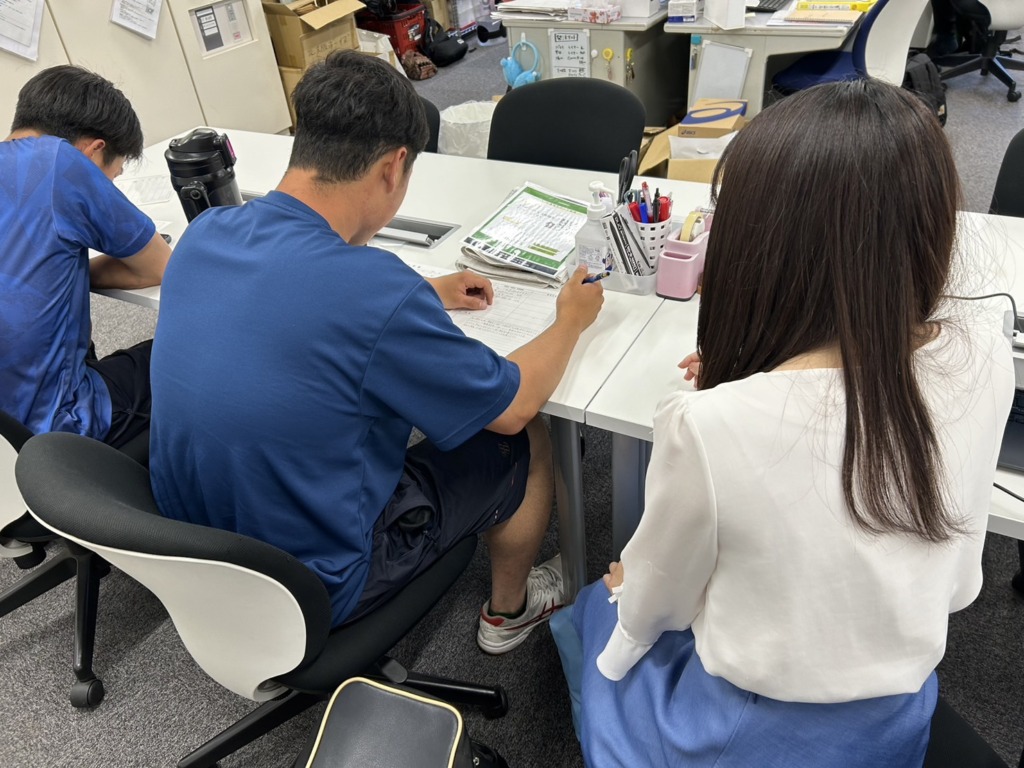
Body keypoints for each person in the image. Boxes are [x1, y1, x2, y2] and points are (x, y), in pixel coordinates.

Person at [552, 79, 1014, 766]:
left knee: (596, 609)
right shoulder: (987, 351)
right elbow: (957, 582)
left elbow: (658, 602)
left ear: (763, 248)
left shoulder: (711, 424)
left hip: (749, 733)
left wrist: (621, 616)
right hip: (898, 719)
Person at [148, 50, 604, 653]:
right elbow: (513, 405)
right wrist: (571, 320)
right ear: (394, 168)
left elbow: (289, 297)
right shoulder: (373, 289)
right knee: (525, 439)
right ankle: (509, 613)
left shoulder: (206, 231)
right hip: (314, 587)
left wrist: (424, 292)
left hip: (193, 556)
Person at [0, 66, 170, 448]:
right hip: (55, 427)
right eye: (113, 175)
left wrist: (57, 277)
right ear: (94, 151)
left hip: (5, 434)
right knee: (186, 347)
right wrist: (76, 277)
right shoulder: (62, 163)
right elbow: (158, 267)